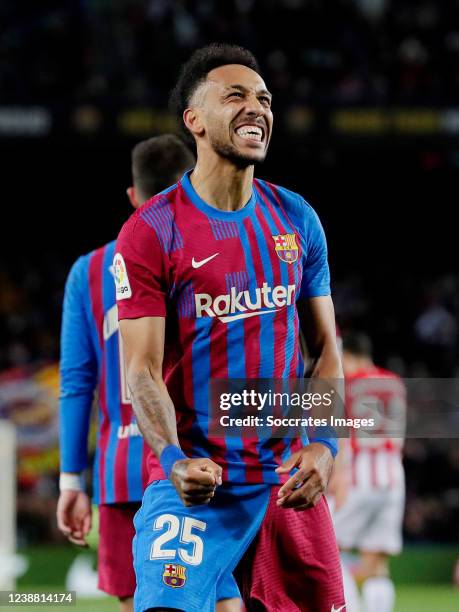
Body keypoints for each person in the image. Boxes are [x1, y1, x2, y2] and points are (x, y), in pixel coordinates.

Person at [115, 44, 344, 612]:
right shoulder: (153, 230)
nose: (257, 108)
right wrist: (171, 458)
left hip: (286, 482)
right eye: (235, 96)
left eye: (264, 99)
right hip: (196, 482)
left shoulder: (297, 217)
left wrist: (325, 445)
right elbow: (140, 371)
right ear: (192, 120)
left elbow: (324, 356)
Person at [57, 135, 241, 612]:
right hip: (204, 459)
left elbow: (77, 382)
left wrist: (71, 481)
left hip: (123, 468)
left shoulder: (88, 271)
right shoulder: (228, 251)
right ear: (189, 186)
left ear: (133, 198)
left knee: (145, 603)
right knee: (221, 597)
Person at [331, 331, 406, 612]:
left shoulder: (349, 384)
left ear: (347, 355)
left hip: (358, 476)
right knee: (377, 563)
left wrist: (336, 476)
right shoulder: (395, 383)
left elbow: (340, 433)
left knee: (330, 549)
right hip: (393, 477)